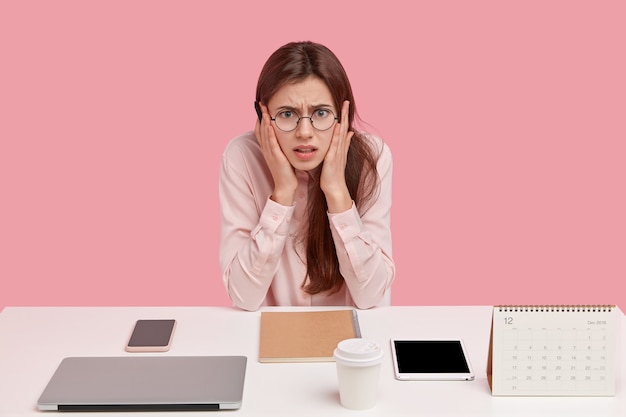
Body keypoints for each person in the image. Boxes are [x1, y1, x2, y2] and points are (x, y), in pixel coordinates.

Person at [219, 41, 395, 311]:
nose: (304, 132)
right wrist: (282, 194)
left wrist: (337, 195)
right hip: (271, 338)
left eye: (321, 113)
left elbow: (372, 296)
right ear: (263, 116)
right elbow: (243, 297)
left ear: (343, 114)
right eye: (287, 114)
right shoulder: (242, 157)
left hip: (352, 345)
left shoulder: (374, 158)